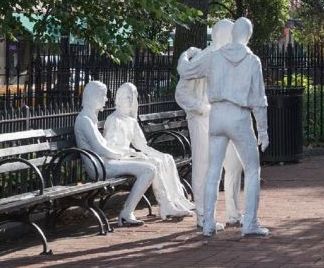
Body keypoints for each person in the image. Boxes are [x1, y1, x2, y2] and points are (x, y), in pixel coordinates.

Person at [200, 17, 270, 237]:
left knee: (213, 171)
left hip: (217, 115)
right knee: (252, 169)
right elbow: (259, 99)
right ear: (248, 35)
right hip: (238, 116)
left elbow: (188, 71)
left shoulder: (214, 57)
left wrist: (187, 56)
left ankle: (208, 223)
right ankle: (250, 223)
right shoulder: (252, 60)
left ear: (232, 34)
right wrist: (263, 130)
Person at [177, 19, 247, 230]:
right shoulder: (203, 58)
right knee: (204, 168)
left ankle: (233, 213)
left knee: (234, 164)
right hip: (202, 120)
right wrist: (202, 108)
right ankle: (204, 216)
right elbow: (181, 93)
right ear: (220, 36)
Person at [104, 82, 194, 220]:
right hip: (118, 159)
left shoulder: (130, 121)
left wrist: (160, 154)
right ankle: (166, 205)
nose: (129, 101)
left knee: (166, 158)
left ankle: (178, 200)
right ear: (118, 98)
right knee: (155, 163)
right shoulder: (113, 119)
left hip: (127, 156)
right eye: (126, 97)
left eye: (132, 98)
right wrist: (132, 152)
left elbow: (142, 145)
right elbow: (109, 147)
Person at [74, 81, 155, 226]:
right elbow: (101, 149)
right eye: (103, 95)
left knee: (149, 165)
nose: (106, 99)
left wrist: (130, 153)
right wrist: (124, 155)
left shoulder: (90, 118)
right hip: (99, 167)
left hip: (105, 162)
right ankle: (126, 213)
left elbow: (104, 146)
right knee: (149, 169)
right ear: (93, 96)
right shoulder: (84, 120)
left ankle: (127, 213)